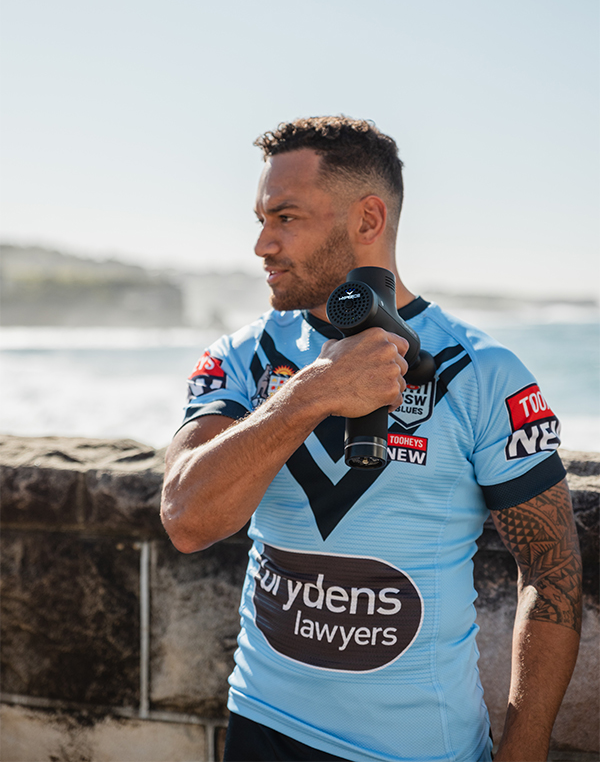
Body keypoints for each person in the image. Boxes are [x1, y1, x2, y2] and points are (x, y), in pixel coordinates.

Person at [161, 116, 582, 762]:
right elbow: (188, 519)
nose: (262, 244)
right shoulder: (243, 357)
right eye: (261, 219)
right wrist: (315, 390)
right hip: (261, 726)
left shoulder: (480, 371)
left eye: (286, 217)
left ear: (367, 220)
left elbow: (552, 572)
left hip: (420, 748)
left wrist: (523, 752)